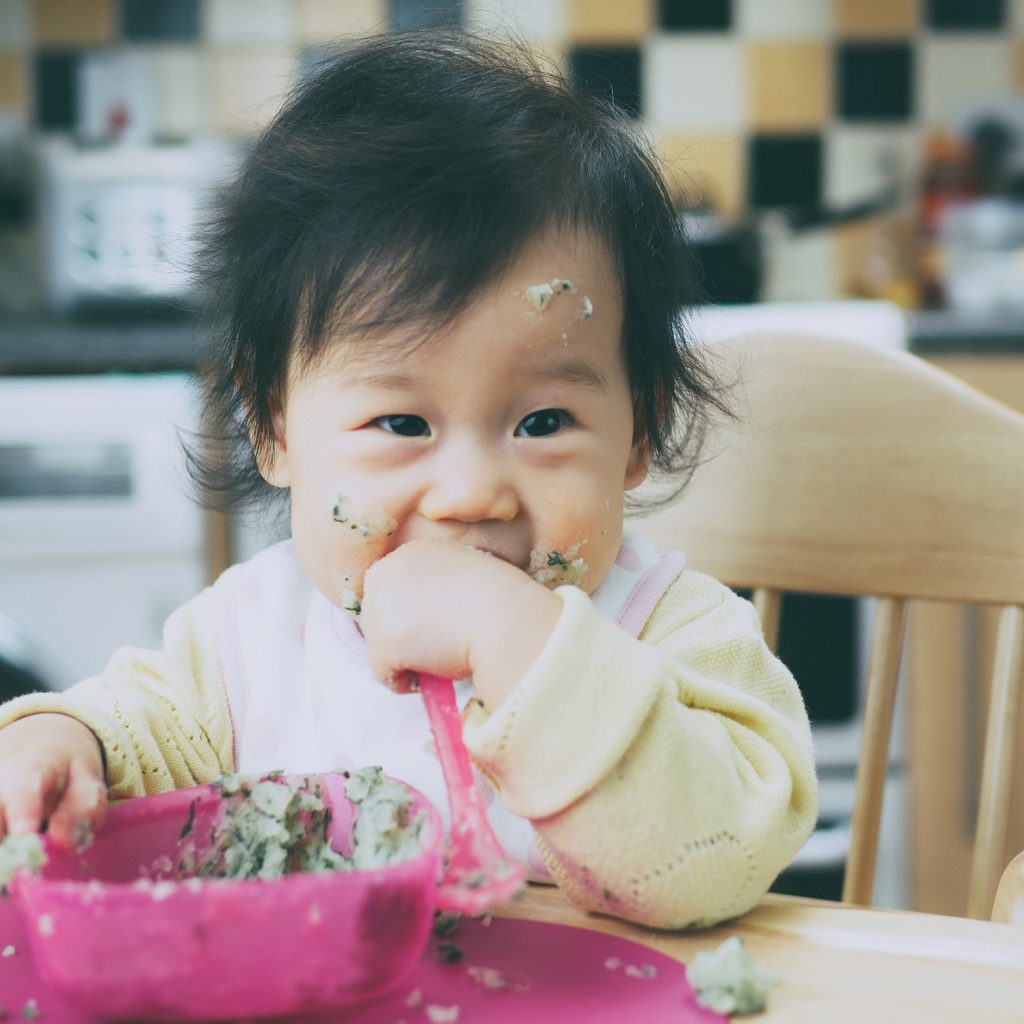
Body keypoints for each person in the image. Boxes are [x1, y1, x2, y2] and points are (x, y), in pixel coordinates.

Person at [0, 33, 816, 929]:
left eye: (542, 423)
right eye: (402, 424)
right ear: (274, 427)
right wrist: (58, 745)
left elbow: (711, 864)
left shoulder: (678, 636)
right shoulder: (246, 648)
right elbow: (127, 743)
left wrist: (517, 638)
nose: (469, 495)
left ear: (639, 432)